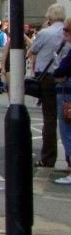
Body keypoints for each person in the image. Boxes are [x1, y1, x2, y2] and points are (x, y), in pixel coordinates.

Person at [28, 4, 69, 168]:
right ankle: (69, 159)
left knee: (49, 118)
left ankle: (48, 158)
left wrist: (44, 28)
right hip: (66, 76)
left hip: (46, 78)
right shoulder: (65, 33)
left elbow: (33, 50)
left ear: (50, 17)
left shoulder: (45, 33)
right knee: (67, 117)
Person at [50, 18, 71, 184]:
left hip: (67, 95)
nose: (64, 33)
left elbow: (61, 72)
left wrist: (58, 72)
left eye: (66, 30)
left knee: (68, 133)